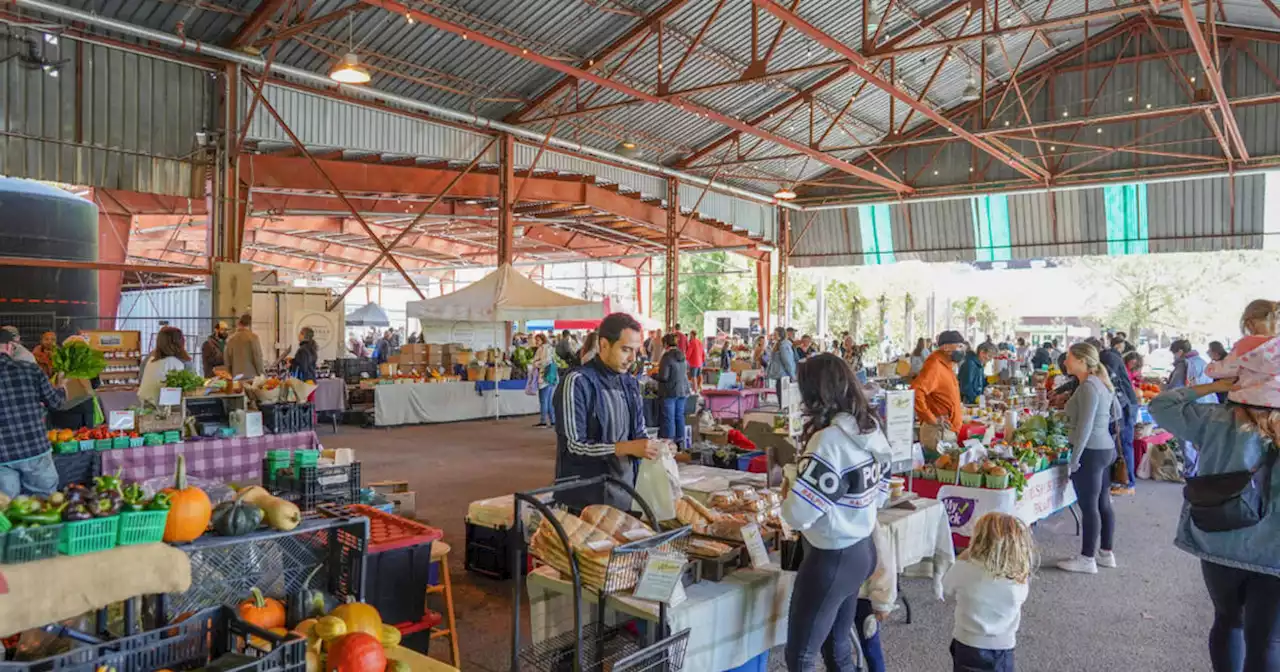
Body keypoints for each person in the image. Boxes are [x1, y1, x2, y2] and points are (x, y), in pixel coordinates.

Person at [1148, 354, 1280, 672]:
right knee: (1268, 641)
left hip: (1220, 537)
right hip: (1275, 553)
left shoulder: (1217, 418)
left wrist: (1215, 385)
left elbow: (1161, 405)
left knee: (1227, 622)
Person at [781, 353, 891, 672]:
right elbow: (881, 491)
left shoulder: (828, 441)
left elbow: (798, 515)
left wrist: (790, 494)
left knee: (801, 656)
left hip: (830, 557)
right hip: (861, 550)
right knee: (837, 647)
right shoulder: (869, 427)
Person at [552, 313, 660, 510]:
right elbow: (573, 446)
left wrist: (655, 447)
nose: (632, 359)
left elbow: (639, 432)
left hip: (625, 494)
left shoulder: (631, 384)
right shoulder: (577, 382)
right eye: (626, 350)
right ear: (603, 345)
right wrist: (623, 448)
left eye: (636, 351)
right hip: (583, 500)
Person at [943, 512, 1035, 672]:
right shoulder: (1018, 578)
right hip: (1003, 646)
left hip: (967, 641)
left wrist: (965, 555)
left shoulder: (964, 568)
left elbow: (946, 587)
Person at [1058, 343, 1120, 574]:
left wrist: (1074, 460)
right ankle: (1105, 553)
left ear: (1082, 361)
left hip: (1091, 451)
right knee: (1103, 502)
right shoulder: (1100, 383)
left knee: (1089, 505)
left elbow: (1085, 426)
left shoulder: (1088, 387)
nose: (1065, 362)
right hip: (1104, 448)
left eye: (1069, 358)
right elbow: (1116, 413)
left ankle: (1087, 559)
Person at [0, 329, 66, 498]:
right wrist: (60, 388)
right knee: (44, 504)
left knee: (7, 511)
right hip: (34, 448)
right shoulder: (30, 370)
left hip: (2, 456)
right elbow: (56, 403)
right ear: (9, 346)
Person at [912, 331, 966, 452]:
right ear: (946, 347)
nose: (962, 351)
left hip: (947, 430)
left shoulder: (947, 365)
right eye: (959, 346)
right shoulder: (935, 365)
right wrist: (931, 418)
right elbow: (916, 391)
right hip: (937, 431)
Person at [1101, 337, 1141, 495]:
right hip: (1126, 406)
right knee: (1122, 445)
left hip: (1125, 408)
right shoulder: (1110, 358)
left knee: (1124, 444)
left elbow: (1108, 381)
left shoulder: (1109, 360)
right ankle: (1120, 480)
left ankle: (1128, 483)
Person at [1168, 339, 1214, 475]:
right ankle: (1199, 471)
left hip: (1191, 407)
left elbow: (1175, 388)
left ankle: (1190, 472)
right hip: (1207, 405)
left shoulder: (1185, 364)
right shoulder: (1202, 362)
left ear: (1180, 352)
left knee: (1187, 440)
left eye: (1174, 353)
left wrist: (1164, 388)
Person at [138, 326, 192, 406]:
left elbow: (141, 379)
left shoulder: (150, 359)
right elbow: (185, 390)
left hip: (145, 403)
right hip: (162, 406)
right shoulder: (176, 362)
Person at [653, 334, 689, 446]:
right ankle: (680, 444)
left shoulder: (667, 357)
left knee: (669, 418)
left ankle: (669, 446)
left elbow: (664, 377)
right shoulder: (682, 355)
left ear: (665, 343)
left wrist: (653, 375)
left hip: (669, 392)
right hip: (682, 390)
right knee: (679, 416)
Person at [225, 314, 266, 379]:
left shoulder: (230, 340)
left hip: (236, 378)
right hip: (251, 379)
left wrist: (229, 377)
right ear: (250, 324)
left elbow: (227, 362)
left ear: (239, 323)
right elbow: (258, 359)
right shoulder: (253, 338)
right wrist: (262, 375)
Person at [765, 326, 798, 403]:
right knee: (781, 394)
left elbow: (788, 361)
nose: (774, 335)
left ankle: (783, 411)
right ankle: (782, 409)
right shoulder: (778, 344)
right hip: (780, 374)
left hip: (784, 375)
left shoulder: (784, 346)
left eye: (775, 334)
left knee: (784, 396)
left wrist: (792, 375)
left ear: (781, 334)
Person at [531, 333, 557, 428]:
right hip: (550, 377)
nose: (536, 342)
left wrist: (535, 364)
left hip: (544, 377)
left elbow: (545, 361)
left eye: (538, 340)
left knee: (543, 400)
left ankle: (543, 421)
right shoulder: (549, 348)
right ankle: (553, 420)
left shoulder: (543, 349)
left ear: (542, 340)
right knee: (549, 400)